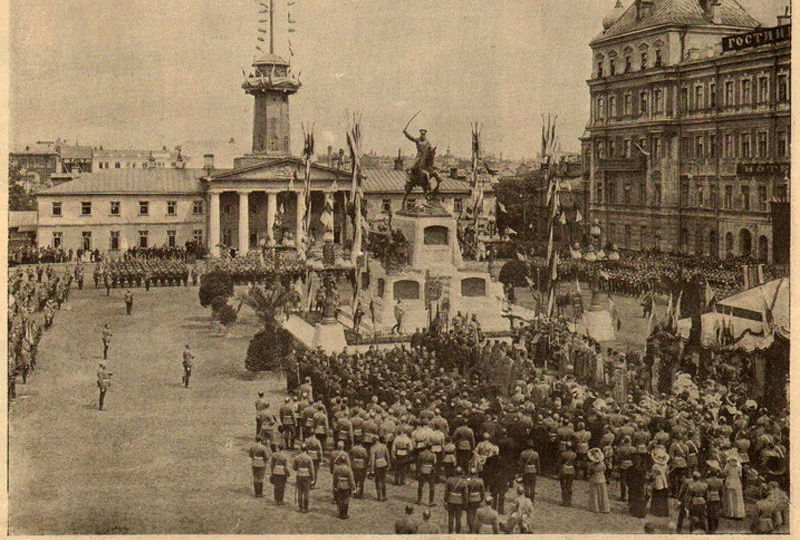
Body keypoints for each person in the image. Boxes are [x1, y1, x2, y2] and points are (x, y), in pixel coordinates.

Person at [332, 452, 356, 519]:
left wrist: (335, 486)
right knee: (346, 499)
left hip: (339, 485)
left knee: (340, 499)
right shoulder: (348, 469)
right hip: (346, 486)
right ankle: (344, 514)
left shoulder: (337, 469)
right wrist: (354, 488)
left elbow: (335, 478)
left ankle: (340, 513)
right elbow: (351, 480)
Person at [292, 443, 315, 513]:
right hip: (307, 476)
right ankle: (305, 508)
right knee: (306, 492)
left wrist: (299, 469)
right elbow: (311, 469)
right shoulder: (309, 458)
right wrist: (313, 478)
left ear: (300, 449)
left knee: (299, 492)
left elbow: (294, 468)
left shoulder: (296, 457)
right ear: (306, 450)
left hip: (299, 475)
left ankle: (300, 508)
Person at [444, 466, 467, 533]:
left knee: (451, 516)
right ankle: (458, 531)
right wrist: (465, 502)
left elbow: (446, 491)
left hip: (450, 500)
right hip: (459, 501)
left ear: (455, 472)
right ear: (461, 473)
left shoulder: (449, 480)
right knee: (458, 518)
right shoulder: (463, 481)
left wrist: (445, 500)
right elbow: (465, 494)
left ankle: (450, 531)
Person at [722, 452, 745, 519]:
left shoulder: (728, 465)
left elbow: (725, 473)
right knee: (737, 498)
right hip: (737, 481)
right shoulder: (739, 466)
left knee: (730, 498)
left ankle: (730, 513)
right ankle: (738, 514)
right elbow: (740, 475)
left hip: (729, 481)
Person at [587, 447, 610, 514]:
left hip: (594, 479)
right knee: (602, 494)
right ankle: (604, 508)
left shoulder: (592, 466)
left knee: (594, 494)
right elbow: (605, 470)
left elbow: (590, 473)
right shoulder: (603, 465)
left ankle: (595, 508)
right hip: (602, 478)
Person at [649, 448, 670, 517]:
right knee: (663, 497)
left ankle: (656, 511)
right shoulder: (666, 465)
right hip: (664, 481)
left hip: (657, 481)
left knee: (656, 496)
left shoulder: (655, 466)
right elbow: (667, 474)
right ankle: (665, 511)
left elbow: (653, 475)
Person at [369, 436, 391, 501]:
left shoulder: (373, 448)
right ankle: (384, 495)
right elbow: (387, 456)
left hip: (377, 465)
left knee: (378, 480)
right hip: (384, 463)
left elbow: (372, 460)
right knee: (383, 480)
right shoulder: (384, 446)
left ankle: (379, 496)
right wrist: (389, 464)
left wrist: (371, 469)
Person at [416, 442, 437, 506]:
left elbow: (418, 463)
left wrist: (419, 471)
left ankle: (419, 500)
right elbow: (435, 463)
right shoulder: (433, 455)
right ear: (431, 447)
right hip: (430, 471)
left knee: (420, 486)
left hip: (422, 470)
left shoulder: (421, 454)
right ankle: (431, 501)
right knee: (432, 487)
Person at [466, 467, 486, 532]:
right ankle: (477, 528)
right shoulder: (480, 481)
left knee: (470, 514)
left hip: (470, 499)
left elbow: (466, 492)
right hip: (478, 499)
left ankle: (471, 528)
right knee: (477, 514)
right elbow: (482, 492)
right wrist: (482, 499)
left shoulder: (467, 481)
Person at [559, 441, 577, 507]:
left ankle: (564, 501)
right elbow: (575, 463)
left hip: (564, 470)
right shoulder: (574, 455)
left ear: (566, 447)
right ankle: (569, 501)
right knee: (569, 486)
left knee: (563, 486)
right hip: (571, 470)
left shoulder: (563, 454)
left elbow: (560, 463)